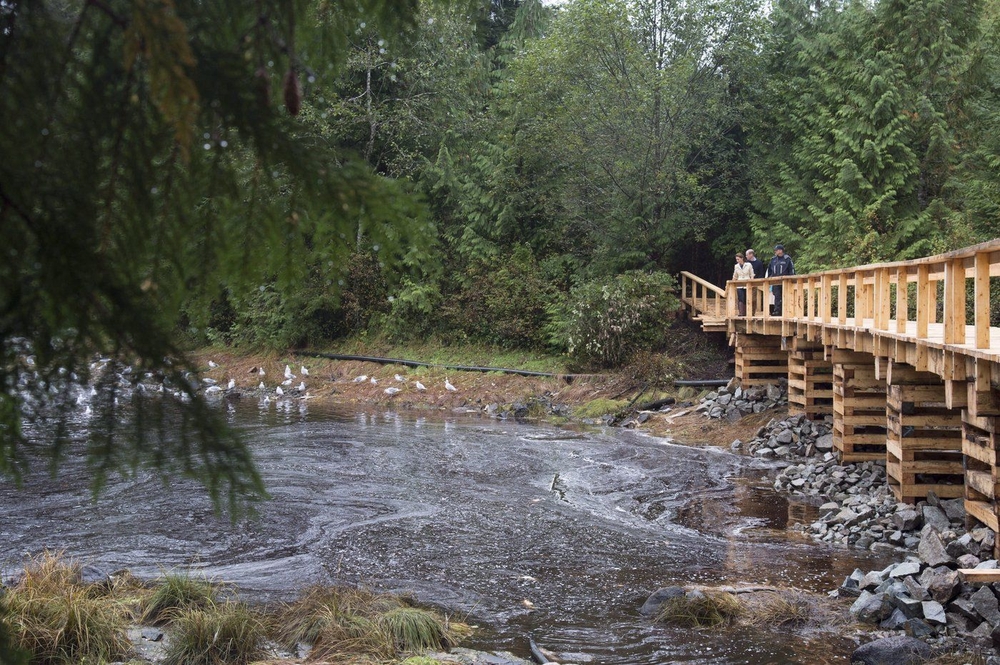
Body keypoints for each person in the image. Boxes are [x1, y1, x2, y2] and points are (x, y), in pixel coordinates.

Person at [766, 244, 794, 315]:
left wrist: (792, 279)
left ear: (781, 251)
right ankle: (777, 311)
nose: (775, 251)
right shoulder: (773, 259)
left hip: (785, 281)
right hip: (775, 281)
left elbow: (791, 270)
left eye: (777, 250)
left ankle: (787, 311)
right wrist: (769, 279)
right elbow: (769, 270)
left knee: (786, 296)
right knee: (777, 296)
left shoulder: (787, 259)